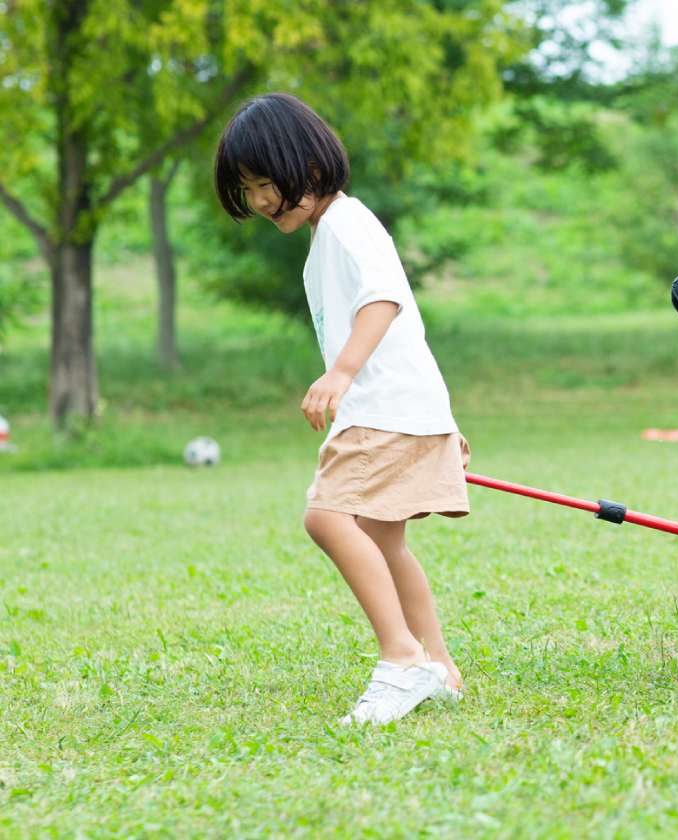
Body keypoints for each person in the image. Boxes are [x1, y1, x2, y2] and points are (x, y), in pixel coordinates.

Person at [214, 93, 468, 725]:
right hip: (401, 406)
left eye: (267, 183)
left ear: (312, 169)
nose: (261, 201)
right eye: (249, 190)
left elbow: (385, 300)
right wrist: (439, 419)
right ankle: (437, 664)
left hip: (380, 407)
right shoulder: (330, 234)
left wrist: (342, 372)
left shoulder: (348, 225)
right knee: (383, 540)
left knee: (326, 518)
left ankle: (402, 658)